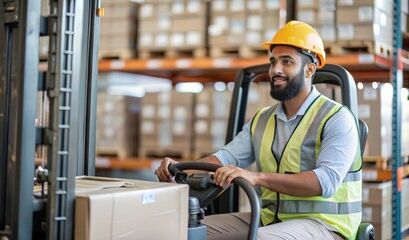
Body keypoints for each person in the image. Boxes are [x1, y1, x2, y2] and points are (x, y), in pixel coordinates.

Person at [155, 20, 362, 240]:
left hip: (326, 226)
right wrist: (178, 170)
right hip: (270, 219)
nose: (276, 70)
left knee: (261, 238)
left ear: (310, 69)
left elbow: (326, 181)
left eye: (287, 62)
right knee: (184, 230)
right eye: (273, 62)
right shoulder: (263, 119)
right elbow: (225, 158)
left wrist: (256, 177)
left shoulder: (336, 118)